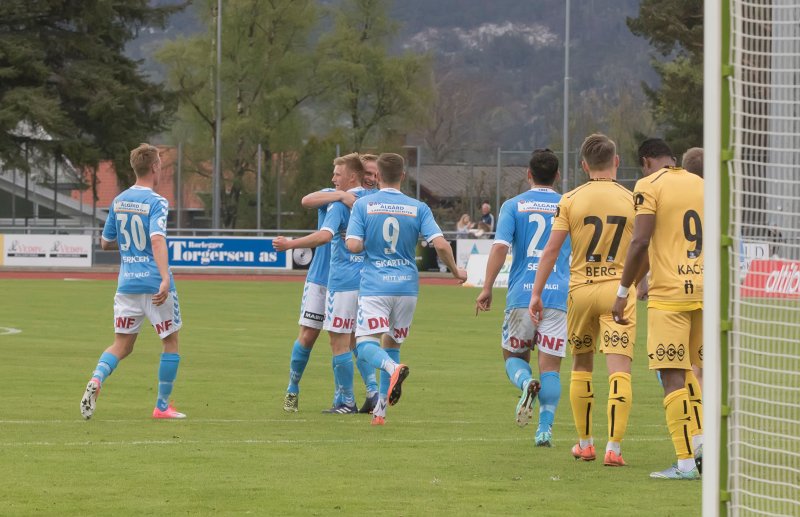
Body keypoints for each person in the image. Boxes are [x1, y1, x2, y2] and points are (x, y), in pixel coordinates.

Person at [529, 133, 636, 466]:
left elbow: (551, 249)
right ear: (616, 161)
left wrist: (536, 292)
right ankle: (613, 449)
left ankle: (585, 444)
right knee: (620, 370)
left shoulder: (571, 199)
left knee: (581, 364)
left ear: (584, 165)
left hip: (581, 290)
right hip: (619, 291)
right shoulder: (633, 199)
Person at [345, 153, 467, 425]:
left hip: (376, 285)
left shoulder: (364, 205)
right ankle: (381, 411)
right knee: (393, 342)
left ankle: (392, 368)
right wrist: (457, 272)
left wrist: (371, 242)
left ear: (377, 177)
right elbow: (442, 245)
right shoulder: (418, 208)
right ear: (403, 175)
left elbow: (352, 245)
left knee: (364, 343)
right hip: (407, 288)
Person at [612, 138, 704, 480]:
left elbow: (641, 240)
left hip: (671, 295)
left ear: (647, 161)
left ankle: (684, 464)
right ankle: (703, 444)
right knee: (694, 371)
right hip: (704, 291)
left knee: (671, 375)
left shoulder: (648, 185)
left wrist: (624, 291)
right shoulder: (701, 185)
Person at [80, 143, 185, 420]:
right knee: (170, 341)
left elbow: (105, 243)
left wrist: (128, 247)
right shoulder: (157, 202)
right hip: (153, 284)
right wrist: (164, 278)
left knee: (122, 345)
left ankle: (97, 379)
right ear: (154, 167)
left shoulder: (118, 201)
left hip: (127, 284)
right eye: (160, 164)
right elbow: (156, 239)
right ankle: (162, 406)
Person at [475, 148, 570, 447]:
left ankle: (525, 382)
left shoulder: (513, 206)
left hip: (521, 295)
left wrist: (487, 286)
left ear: (528, 175)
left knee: (514, 358)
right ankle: (544, 430)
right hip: (557, 296)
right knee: (551, 367)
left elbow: (501, 247)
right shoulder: (569, 204)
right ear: (557, 176)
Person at [276, 154, 380, 414]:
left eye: (375, 174)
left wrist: (289, 245)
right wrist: (339, 195)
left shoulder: (370, 200)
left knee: (349, 338)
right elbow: (306, 200)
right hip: (320, 277)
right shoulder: (334, 195)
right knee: (309, 335)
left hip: (344, 280)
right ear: (359, 174)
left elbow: (328, 235)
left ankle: (356, 396)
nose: (371, 177)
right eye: (368, 172)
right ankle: (293, 389)